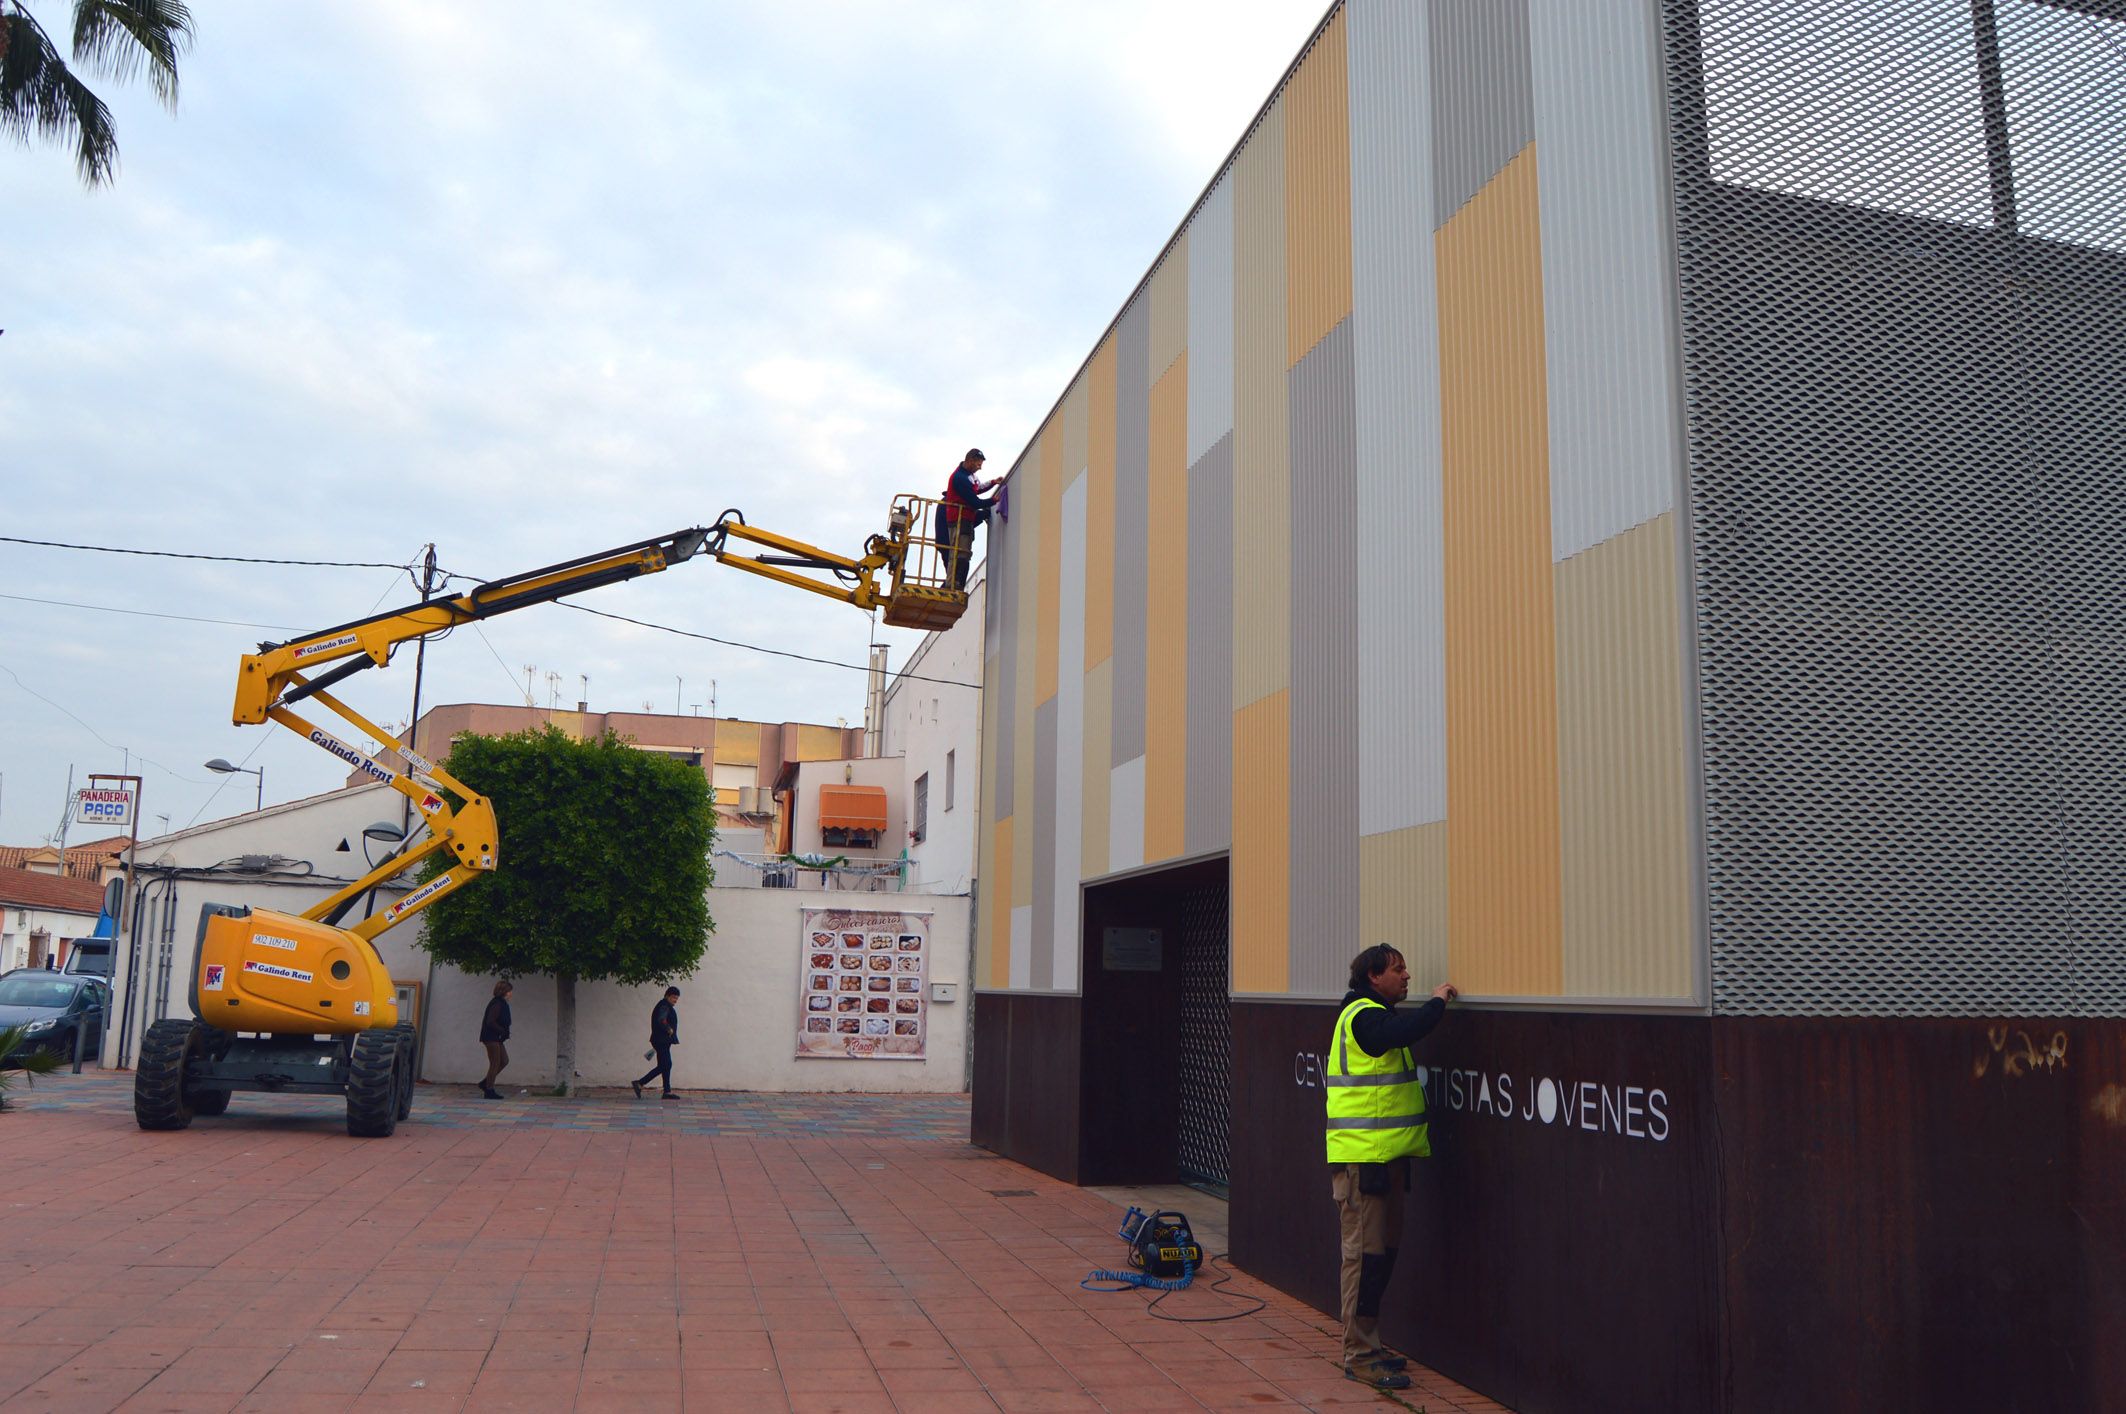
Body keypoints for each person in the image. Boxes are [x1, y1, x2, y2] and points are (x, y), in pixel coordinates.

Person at [1325, 945, 1456, 1391]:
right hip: (1365, 1162)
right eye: (1398, 969)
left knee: (1380, 1258)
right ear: (1373, 975)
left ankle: (1369, 1346)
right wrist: (1438, 1000)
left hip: (1384, 1159)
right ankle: (1359, 1354)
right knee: (1364, 1259)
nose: (1407, 976)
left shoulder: (1373, 1015)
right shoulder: (1363, 1016)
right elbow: (1404, 1031)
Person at [936, 447, 998, 591]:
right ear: (970, 461)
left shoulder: (969, 476)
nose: (980, 468)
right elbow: (975, 502)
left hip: (964, 520)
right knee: (959, 554)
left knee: (962, 553)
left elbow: (978, 488)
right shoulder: (960, 478)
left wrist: (993, 482)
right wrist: (993, 501)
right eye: (978, 464)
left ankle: (954, 584)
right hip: (959, 520)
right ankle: (953, 585)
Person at [632, 986, 681, 1099]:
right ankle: (640, 1083)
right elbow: (661, 1020)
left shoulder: (665, 1005)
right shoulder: (664, 1006)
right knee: (666, 1064)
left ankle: (667, 1091)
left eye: (677, 998)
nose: (675, 1000)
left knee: (665, 1065)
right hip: (661, 1040)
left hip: (662, 1040)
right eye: (673, 997)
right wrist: (669, 1028)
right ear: (667, 996)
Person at [478, 979, 512, 1100]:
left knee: (504, 1060)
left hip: (497, 1038)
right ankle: (489, 1090)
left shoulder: (502, 1003)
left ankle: (485, 1083)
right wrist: (502, 1031)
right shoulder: (497, 1004)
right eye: (509, 991)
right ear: (504, 991)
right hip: (491, 1037)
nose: (511, 993)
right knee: (495, 1063)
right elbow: (490, 1021)